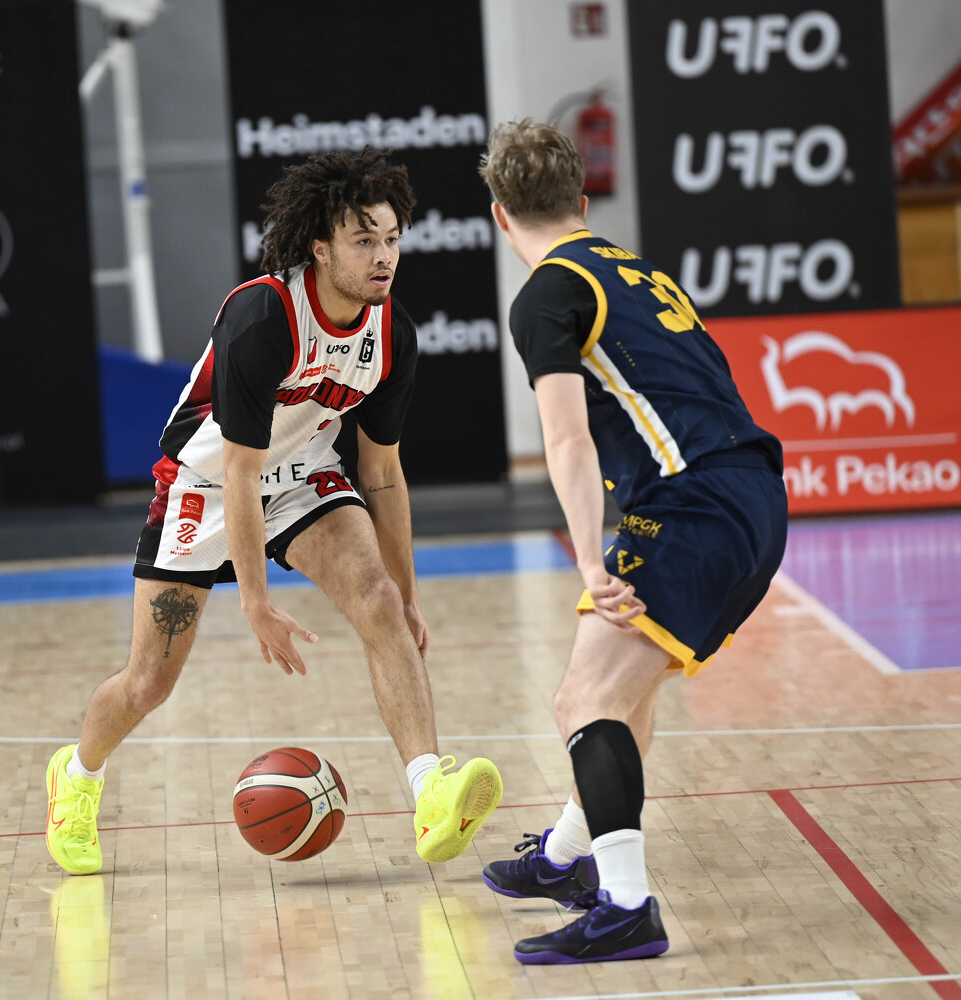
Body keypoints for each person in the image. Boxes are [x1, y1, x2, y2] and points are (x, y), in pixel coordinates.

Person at [45, 148, 502, 876]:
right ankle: (75, 776)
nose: (383, 256)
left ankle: (431, 793)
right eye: (364, 240)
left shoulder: (392, 335)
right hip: (205, 484)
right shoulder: (263, 315)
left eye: (391, 239)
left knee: (379, 601)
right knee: (148, 684)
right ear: (320, 247)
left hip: (303, 476)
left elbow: (382, 473)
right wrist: (254, 602)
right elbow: (238, 469)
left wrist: (408, 595)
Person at [476, 120, 787, 964]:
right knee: (623, 692)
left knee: (584, 703)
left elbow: (566, 439)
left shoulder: (546, 294)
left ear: (500, 215)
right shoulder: (634, 269)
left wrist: (586, 559)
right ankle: (564, 859)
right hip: (750, 494)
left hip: (693, 506)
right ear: (581, 202)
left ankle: (624, 908)